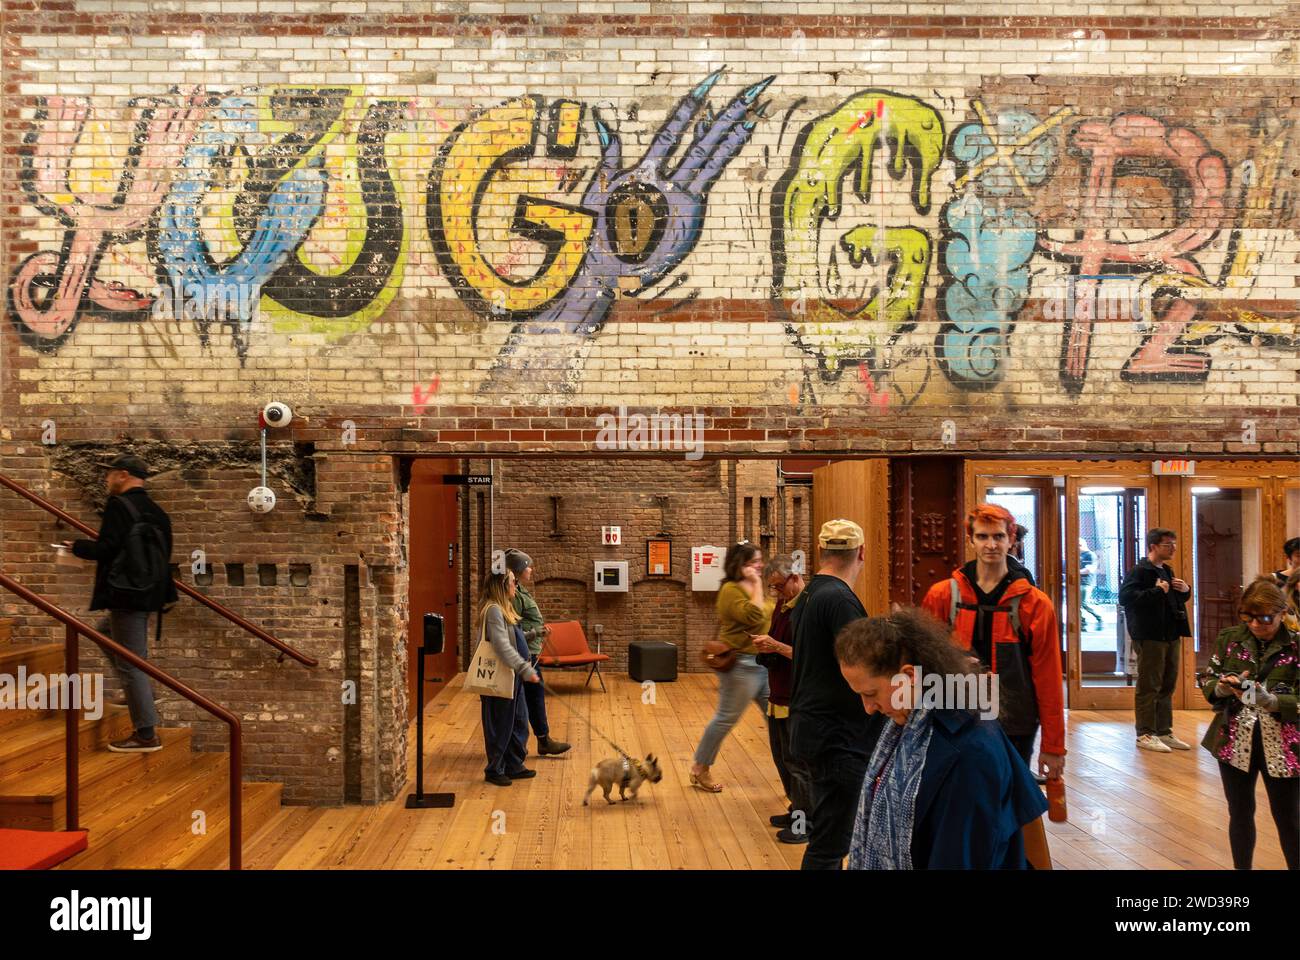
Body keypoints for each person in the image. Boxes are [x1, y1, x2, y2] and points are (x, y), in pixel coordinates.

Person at [837, 609, 1049, 869]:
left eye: (871, 693)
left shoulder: (970, 752)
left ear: (909, 676)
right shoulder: (915, 721)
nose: (868, 708)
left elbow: (960, 858)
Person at [921, 504, 1066, 783]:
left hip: (1015, 722)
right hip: (956, 715)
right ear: (971, 539)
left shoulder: (1034, 603)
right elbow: (922, 660)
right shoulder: (943, 596)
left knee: (1010, 801)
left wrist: (1054, 746)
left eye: (998, 536)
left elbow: (1048, 677)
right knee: (961, 800)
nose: (991, 544)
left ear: (1012, 539)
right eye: (983, 536)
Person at [787, 519, 884, 870]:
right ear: (861, 552)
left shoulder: (809, 595)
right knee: (830, 845)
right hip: (837, 738)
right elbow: (864, 664)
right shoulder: (841, 600)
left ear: (821, 551)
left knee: (828, 836)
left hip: (811, 730)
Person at [64, 455, 176, 753]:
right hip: (149, 593)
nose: (106, 479)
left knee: (130, 663)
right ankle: (142, 693)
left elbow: (107, 548)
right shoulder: (156, 511)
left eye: (109, 474)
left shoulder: (120, 506)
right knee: (105, 633)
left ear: (123, 475)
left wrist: (76, 547)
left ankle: (146, 733)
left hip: (126, 594)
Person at [1198, 577, 1298, 870]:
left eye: (1265, 618)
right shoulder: (1229, 638)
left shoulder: (1296, 646)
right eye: (1248, 616)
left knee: (1289, 818)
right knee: (1239, 813)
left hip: (1285, 745)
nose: (1256, 624)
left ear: (1283, 613)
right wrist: (1220, 687)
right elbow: (1208, 677)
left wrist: (1275, 702)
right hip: (1233, 739)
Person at [689, 541, 772, 792]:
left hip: (764, 664)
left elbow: (768, 614)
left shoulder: (757, 589)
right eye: (754, 562)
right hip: (742, 666)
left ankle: (795, 771)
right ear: (740, 565)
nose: (760, 566)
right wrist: (757, 585)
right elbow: (755, 617)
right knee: (726, 718)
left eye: (760, 560)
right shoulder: (730, 590)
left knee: (778, 718)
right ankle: (700, 768)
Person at [752, 554, 810, 844]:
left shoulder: (807, 609)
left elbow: (810, 656)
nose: (775, 592)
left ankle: (804, 821)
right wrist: (767, 646)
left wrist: (775, 645)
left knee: (798, 763)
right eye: (772, 587)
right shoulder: (783, 605)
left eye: (778, 586)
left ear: (795, 578)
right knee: (782, 758)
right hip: (778, 692)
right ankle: (795, 809)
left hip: (796, 696)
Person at [1119, 528, 1193, 753]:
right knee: (1149, 685)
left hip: (1170, 633)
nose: (1173, 548)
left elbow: (1171, 598)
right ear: (1153, 547)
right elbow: (1126, 598)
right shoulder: (1140, 571)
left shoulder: (1167, 570)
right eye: (1167, 545)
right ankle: (1145, 733)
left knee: (1168, 683)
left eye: (1174, 544)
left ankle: (1164, 730)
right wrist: (1156, 591)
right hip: (1150, 634)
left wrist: (1185, 590)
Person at [475, 569, 541, 786]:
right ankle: (494, 769)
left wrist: (534, 634)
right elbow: (501, 645)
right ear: (503, 586)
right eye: (513, 582)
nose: (516, 585)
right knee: (500, 724)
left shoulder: (505, 609)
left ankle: (514, 764)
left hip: (514, 677)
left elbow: (513, 637)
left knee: (519, 721)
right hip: (502, 676)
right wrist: (524, 668)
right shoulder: (493, 610)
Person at [504, 548, 571, 757]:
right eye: (528, 566)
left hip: (530, 651)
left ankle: (539, 740)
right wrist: (535, 633)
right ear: (519, 569)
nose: (531, 569)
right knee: (528, 699)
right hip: (524, 654)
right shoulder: (513, 595)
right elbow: (511, 630)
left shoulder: (521, 590)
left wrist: (539, 632)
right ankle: (537, 742)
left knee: (532, 698)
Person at [1079, 537, 1105, 632]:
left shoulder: (1090, 555)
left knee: (1084, 603)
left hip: (1086, 583)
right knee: (1078, 604)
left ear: (1081, 545)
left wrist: (1075, 572)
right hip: (1080, 583)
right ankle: (1082, 624)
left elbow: (1089, 570)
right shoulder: (1080, 555)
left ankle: (1099, 618)